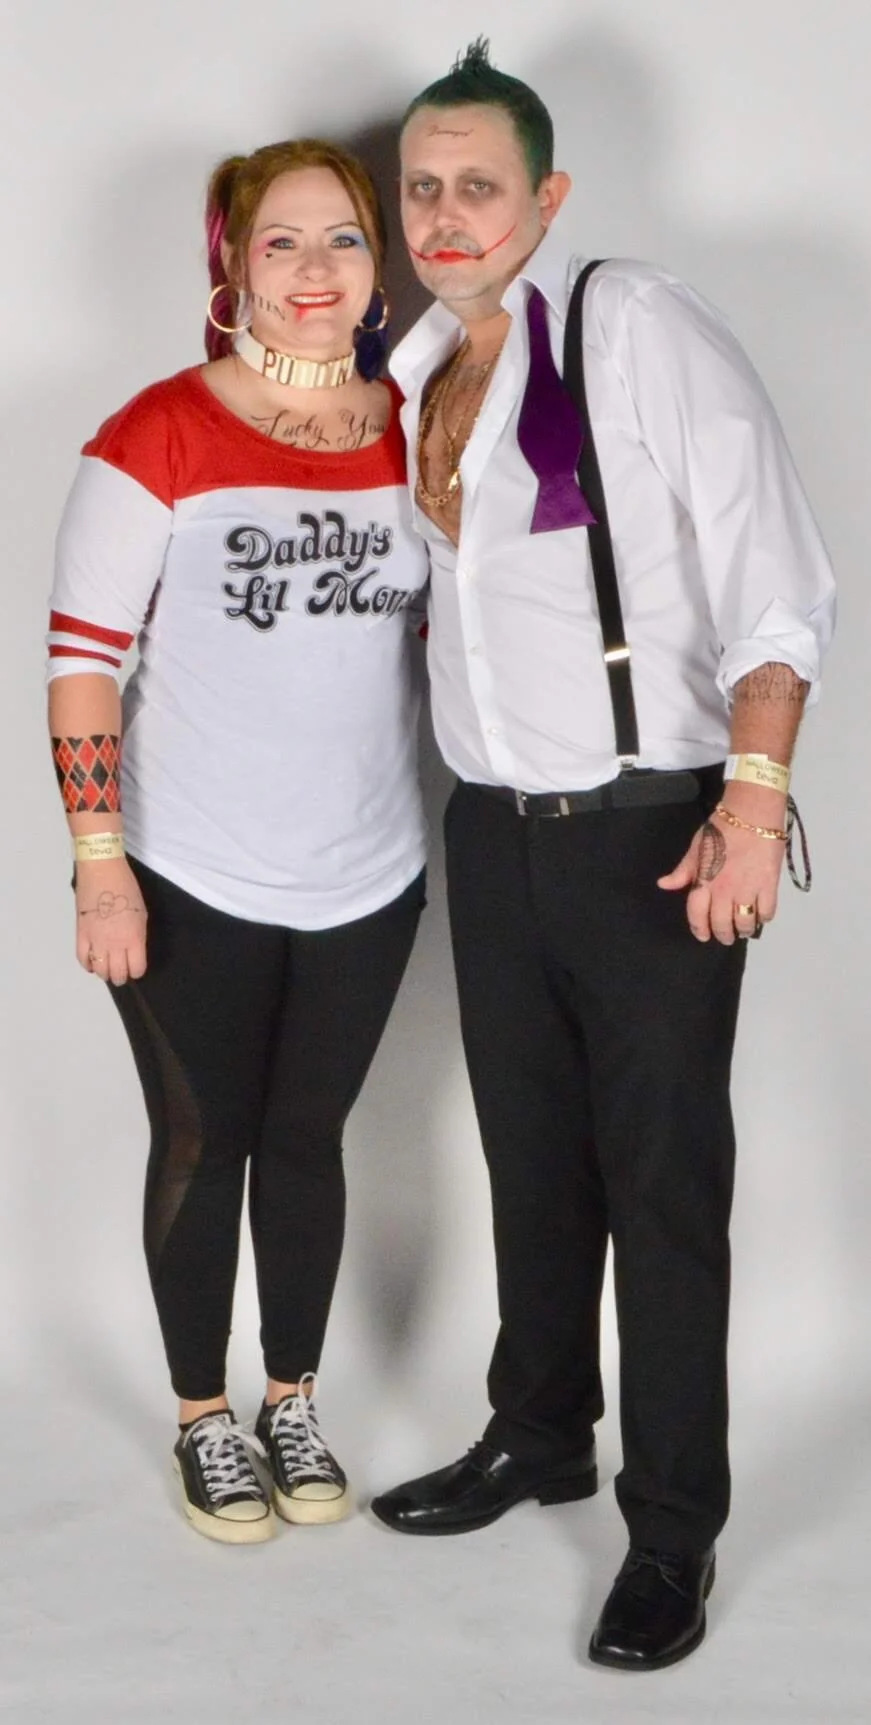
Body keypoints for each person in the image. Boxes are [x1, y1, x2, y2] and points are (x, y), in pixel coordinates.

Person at [370, 42, 835, 1670]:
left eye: (475, 186)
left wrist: (751, 804)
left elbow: (779, 583)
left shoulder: (632, 325)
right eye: (419, 189)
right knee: (531, 1158)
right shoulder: (418, 362)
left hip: (651, 831)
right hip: (490, 831)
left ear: (546, 195)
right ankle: (538, 1432)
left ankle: (672, 1529)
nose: (443, 215)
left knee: (662, 1187)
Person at [47, 138, 429, 1545]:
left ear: (378, 268)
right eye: (282, 241)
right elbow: (82, 661)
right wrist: (101, 866)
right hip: (187, 869)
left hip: (371, 871)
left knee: (309, 1138)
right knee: (205, 1139)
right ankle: (204, 1417)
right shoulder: (156, 432)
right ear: (232, 266)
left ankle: (292, 1399)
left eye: (344, 239)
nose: (315, 269)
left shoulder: (419, 428)